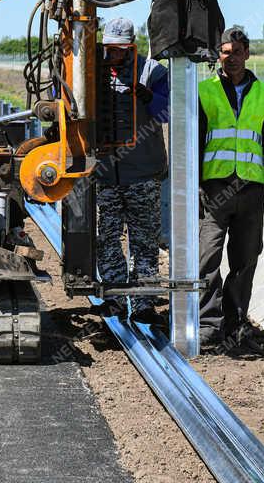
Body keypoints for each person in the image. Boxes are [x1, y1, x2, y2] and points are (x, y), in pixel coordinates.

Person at [197, 26, 264, 352]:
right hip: (214, 190)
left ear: (247, 54)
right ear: (217, 56)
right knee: (206, 260)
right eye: (225, 52)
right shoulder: (205, 92)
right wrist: (192, 188)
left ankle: (235, 327)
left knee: (245, 261)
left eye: (236, 52)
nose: (231, 58)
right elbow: (193, 144)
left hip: (250, 191)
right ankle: (208, 329)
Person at [95, 17, 170, 323]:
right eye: (109, 48)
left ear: (131, 47)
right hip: (105, 174)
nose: (113, 54)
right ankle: (114, 298)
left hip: (143, 172)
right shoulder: (92, 71)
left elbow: (167, 112)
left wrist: (147, 96)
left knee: (144, 239)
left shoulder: (153, 72)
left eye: (119, 49)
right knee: (107, 237)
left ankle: (142, 303)